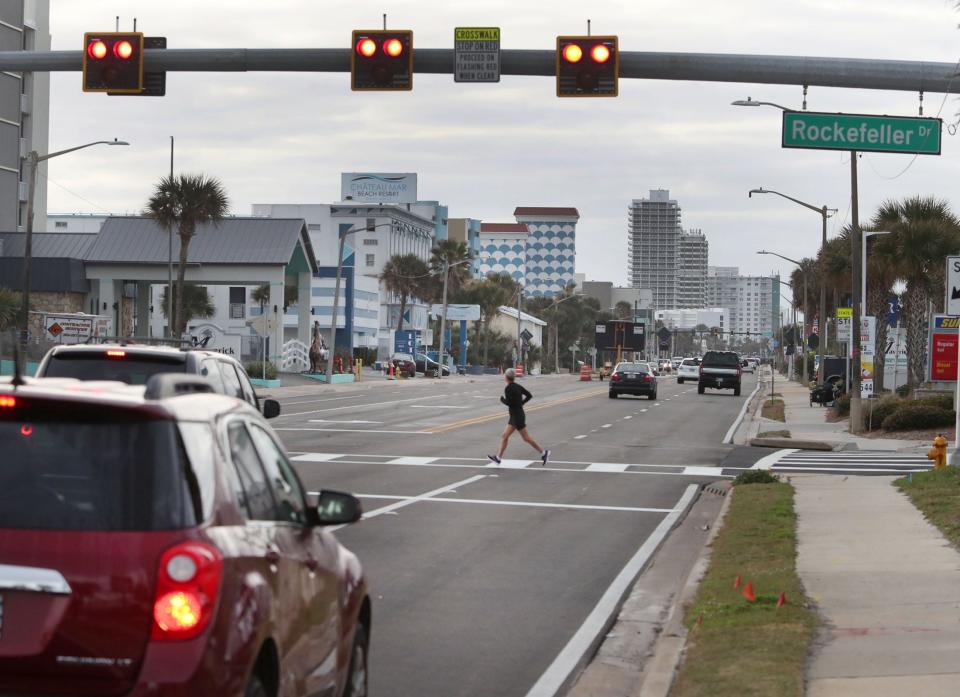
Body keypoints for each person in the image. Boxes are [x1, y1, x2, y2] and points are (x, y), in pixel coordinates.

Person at [488, 368, 550, 466]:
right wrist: (522, 403)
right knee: (505, 436)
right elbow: (529, 395)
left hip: (517, 417)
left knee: (526, 438)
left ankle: (543, 452)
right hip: (516, 415)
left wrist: (502, 400)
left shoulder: (508, 388)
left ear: (507, 377)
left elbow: (510, 403)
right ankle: (498, 458)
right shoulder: (517, 386)